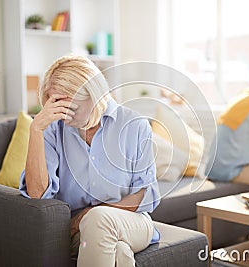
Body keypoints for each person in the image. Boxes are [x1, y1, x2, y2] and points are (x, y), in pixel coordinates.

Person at [19, 55, 161, 266]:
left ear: (93, 94)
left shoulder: (134, 125)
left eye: (70, 105)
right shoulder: (53, 129)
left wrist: (89, 214)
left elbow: (146, 194)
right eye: (55, 105)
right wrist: (36, 129)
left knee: (98, 219)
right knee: (119, 252)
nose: (64, 115)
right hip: (82, 233)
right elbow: (38, 194)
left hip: (133, 223)